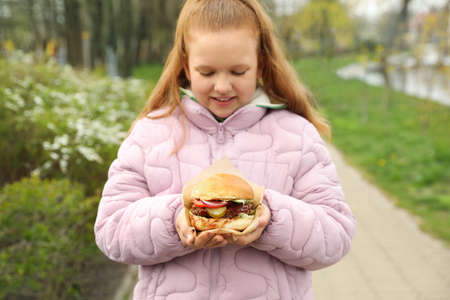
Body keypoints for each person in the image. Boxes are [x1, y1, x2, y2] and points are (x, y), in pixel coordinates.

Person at [94, 0, 356, 299]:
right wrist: (175, 218)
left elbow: (335, 235)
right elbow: (110, 230)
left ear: (260, 63)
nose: (222, 86)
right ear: (185, 66)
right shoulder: (151, 133)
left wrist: (268, 217)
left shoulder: (296, 136)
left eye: (237, 71)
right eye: (207, 72)